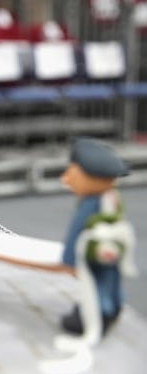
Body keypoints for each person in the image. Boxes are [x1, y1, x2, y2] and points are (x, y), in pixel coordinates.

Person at [59, 137, 136, 336]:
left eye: (71, 173)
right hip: (111, 247)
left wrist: (69, 259)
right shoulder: (111, 197)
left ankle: (100, 312)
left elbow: (77, 231)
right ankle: (114, 305)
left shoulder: (90, 204)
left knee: (96, 280)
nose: (66, 179)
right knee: (110, 277)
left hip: (94, 250)